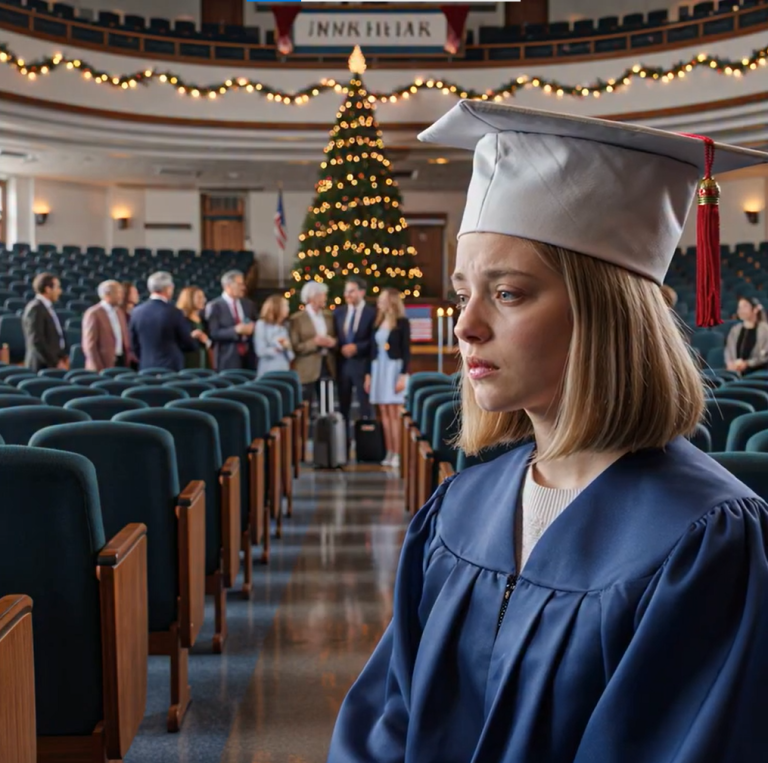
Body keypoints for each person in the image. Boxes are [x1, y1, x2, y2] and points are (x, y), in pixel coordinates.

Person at [327, 102, 768, 762]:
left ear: (604, 315)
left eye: (507, 292)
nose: (465, 325)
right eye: (462, 291)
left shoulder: (704, 541)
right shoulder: (456, 512)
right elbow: (387, 724)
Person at [364, 287, 410, 467]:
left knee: (394, 413)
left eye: (382, 299)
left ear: (391, 301)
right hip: (378, 368)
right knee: (383, 412)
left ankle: (398, 453)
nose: (378, 302)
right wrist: (368, 375)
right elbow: (371, 351)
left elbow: (406, 351)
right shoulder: (377, 321)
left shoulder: (402, 322)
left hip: (394, 369)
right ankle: (389, 452)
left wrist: (403, 376)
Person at [129, 271, 204, 372]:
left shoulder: (136, 312)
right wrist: (195, 341)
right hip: (170, 368)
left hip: (146, 366)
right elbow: (187, 343)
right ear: (168, 289)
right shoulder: (174, 312)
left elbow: (134, 344)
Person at [333, 276, 376, 426]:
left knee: (365, 409)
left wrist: (357, 347)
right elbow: (335, 337)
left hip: (362, 366)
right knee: (343, 409)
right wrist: (340, 346)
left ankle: (365, 445)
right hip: (343, 366)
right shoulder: (338, 313)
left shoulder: (372, 313)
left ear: (362, 292)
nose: (347, 295)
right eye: (346, 291)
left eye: (351, 291)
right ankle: (343, 445)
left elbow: (374, 341)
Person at [289, 282, 337, 408]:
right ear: (312, 297)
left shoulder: (329, 316)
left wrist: (333, 342)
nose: (325, 298)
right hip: (306, 369)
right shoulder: (297, 319)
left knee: (327, 407)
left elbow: (336, 337)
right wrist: (314, 342)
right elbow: (295, 346)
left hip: (327, 365)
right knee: (305, 408)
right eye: (323, 295)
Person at [206, 270, 258, 371]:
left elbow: (256, 322)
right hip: (227, 359)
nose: (243, 288)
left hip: (249, 358)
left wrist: (253, 327)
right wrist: (236, 330)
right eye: (240, 284)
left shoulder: (248, 304)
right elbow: (214, 333)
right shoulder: (215, 306)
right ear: (227, 286)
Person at [22, 271, 67, 372]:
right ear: (48, 289)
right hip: (41, 366)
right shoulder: (35, 308)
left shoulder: (47, 307)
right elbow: (37, 340)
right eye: (57, 287)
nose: (60, 291)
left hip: (52, 364)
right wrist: (55, 362)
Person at [82, 280, 131, 371]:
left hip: (121, 361)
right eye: (118, 293)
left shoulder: (119, 312)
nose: (122, 296)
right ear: (107, 295)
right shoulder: (93, 313)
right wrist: (98, 367)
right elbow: (90, 345)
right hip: (102, 365)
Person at [724, 296, 768, 375]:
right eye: (739, 307)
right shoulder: (735, 329)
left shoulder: (765, 330)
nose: (740, 310)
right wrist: (730, 364)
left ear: (755, 310)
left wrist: (747, 363)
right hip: (736, 372)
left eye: (745, 306)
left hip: (758, 372)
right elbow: (729, 350)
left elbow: (765, 356)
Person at [254, 295, 295, 377]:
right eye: (285, 306)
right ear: (277, 307)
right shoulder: (261, 325)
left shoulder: (284, 327)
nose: (288, 309)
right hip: (268, 370)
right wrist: (279, 346)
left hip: (284, 370)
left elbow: (291, 356)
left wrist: (287, 346)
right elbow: (260, 351)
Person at [176, 286, 212, 369]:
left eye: (203, 297)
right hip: (187, 361)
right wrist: (190, 337)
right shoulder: (180, 319)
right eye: (199, 297)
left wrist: (206, 340)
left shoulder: (204, 320)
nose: (204, 300)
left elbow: (210, 343)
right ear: (189, 299)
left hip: (204, 361)